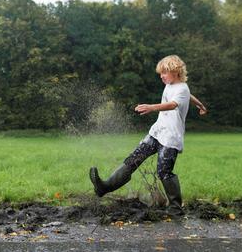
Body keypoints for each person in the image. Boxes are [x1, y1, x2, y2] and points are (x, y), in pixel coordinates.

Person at [89, 55, 207, 214]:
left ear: (176, 71)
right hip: (157, 132)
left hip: (170, 138)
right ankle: (105, 186)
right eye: (160, 73)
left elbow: (173, 104)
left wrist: (151, 107)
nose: (161, 76)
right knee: (133, 159)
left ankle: (175, 208)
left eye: (164, 72)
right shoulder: (173, 85)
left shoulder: (182, 88)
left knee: (164, 172)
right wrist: (200, 104)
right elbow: (188, 96)